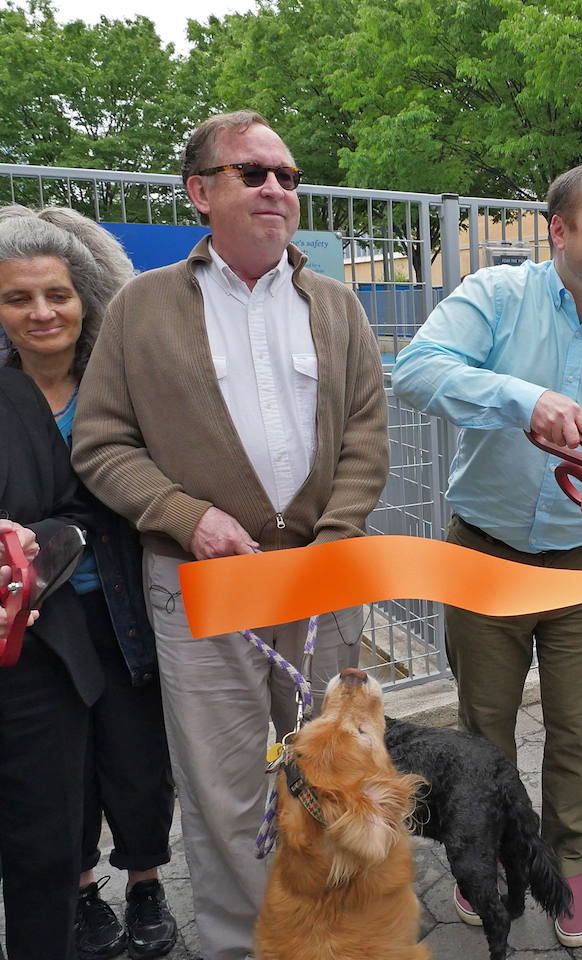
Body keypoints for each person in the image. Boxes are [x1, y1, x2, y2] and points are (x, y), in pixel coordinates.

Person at [72, 111, 389, 960]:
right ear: (198, 191)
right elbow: (100, 442)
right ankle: (240, 945)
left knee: (331, 773)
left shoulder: (337, 304)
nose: (277, 189)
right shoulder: (140, 308)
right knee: (223, 786)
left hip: (317, 577)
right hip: (200, 582)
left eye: (288, 175)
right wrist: (187, 516)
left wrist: (338, 534)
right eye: (253, 173)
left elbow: (366, 432)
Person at [391, 162, 582, 946]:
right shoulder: (496, 299)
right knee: (483, 729)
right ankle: (487, 855)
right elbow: (417, 371)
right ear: (559, 231)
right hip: (483, 553)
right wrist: (522, 399)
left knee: (577, 726)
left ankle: (568, 864)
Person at [0, 207, 177, 959]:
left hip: (122, 604)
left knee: (136, 756)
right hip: (34, 629)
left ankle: (145, 883)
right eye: (18, 298)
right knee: (53, 774)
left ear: (87, 297)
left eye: (58, 295)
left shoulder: (122, 382)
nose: (42, 313)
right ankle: (77, 891)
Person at [0, 368, 98, 960]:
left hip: (39, 671)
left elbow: (75, 513)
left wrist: (31, 548)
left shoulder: (15, 393)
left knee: (47, 860)